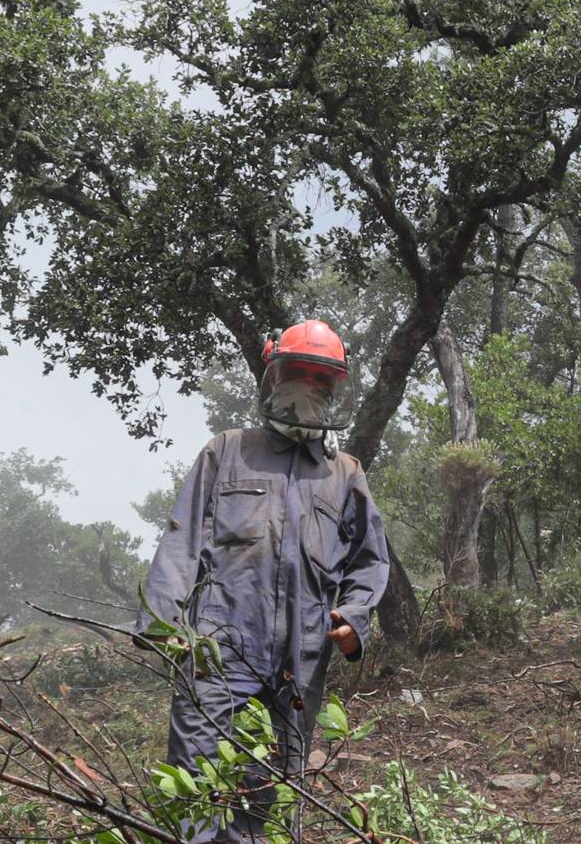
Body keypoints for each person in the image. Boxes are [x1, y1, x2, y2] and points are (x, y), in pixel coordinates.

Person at [138, 319, 392, 841]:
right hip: (217, 651)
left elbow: (370, 561)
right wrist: (166, 626)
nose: (309, 388)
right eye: (298, 374)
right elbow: (181, 541)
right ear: (274, 377)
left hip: (298, 662)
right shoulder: (226, 451)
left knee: (272, 793)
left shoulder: (345, 473)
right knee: (197, 783)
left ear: (335, 389)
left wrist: (354, 617)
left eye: (320, 380)